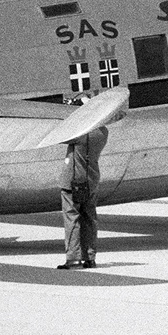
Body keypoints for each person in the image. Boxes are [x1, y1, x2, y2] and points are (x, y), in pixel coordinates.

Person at [58, 95, 109, 270]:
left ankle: (73, 259)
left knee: (72, 218)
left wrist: (70, 111)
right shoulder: (103, 132)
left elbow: (60, 133)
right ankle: (90, 258)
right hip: (92, 180)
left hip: (74, 180)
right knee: (89, 219)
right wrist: (87, 103)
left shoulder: (80, 133)